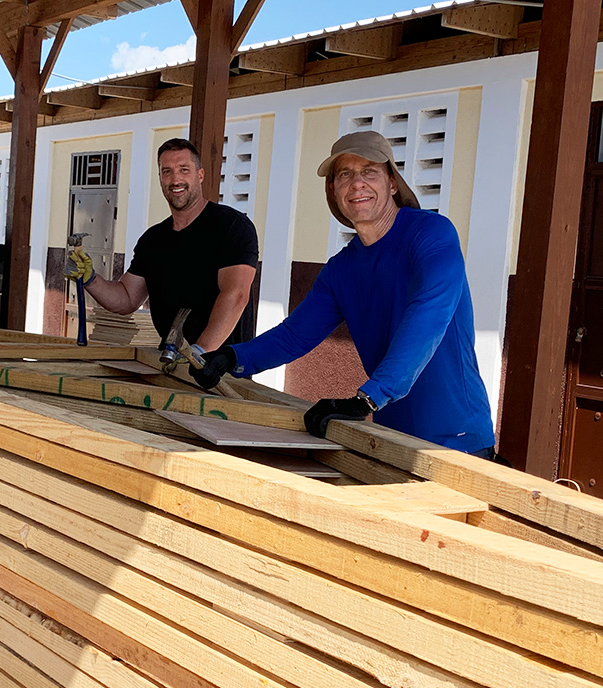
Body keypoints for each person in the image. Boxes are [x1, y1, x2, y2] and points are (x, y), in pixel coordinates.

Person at [191, 130, 496, 457]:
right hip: (391, 441)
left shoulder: (432, 235)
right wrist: (233, 358)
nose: (357, 183)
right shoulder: (341, 270)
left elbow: (428, 314)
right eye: (345, 175)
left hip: (458, 443)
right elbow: (294, 336)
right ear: (333, 190)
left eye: (370, 172)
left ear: (392, 183)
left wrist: (369, 398)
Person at [65, 138, 259, 354]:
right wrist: (90, 278)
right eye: (167, 171)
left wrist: (199, 354)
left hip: (222, 371)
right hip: (171, 362)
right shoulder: (153, 241)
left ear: (200, 175)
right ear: (160, 178)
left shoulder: (232, 227)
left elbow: (236, 294)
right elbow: (127, 298)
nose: (175, 179)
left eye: (184, 169)